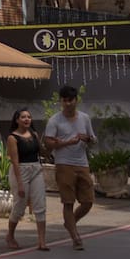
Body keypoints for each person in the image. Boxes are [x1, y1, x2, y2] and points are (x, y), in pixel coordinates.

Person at [43, 85, 96, 250]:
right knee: (68, 201)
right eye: (64, 100)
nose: (67, 104)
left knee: (88, 201)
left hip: (82, 163)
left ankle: (70, 222)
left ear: (76, 101)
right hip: (63, 164)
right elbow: (48, 143)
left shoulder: (84, 118)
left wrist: (87, 138)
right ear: (61, 101)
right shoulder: (54, 120)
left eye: (70, 100)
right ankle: (75, 237)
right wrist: (66, 142)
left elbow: (93, 139)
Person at [4, 108, 48, 251]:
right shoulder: (12, 137)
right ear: (17, 120)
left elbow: (43, 152)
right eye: (23, 117)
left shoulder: (34, 134)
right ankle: (10, 235)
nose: (27, 119)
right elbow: (15, 162)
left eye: (29, 117)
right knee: (20, 205)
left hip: (35, 169)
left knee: (40, 204)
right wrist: (20, 184)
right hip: (20, 170)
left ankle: (42, 241)